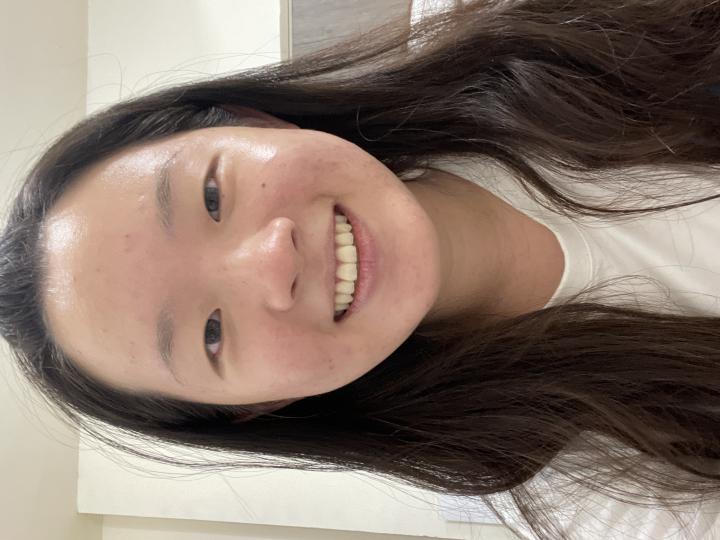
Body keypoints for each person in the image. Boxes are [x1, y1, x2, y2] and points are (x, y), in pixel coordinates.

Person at [2, 0, 720, 538]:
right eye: (211, 334)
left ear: (252, 121)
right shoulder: (592, 500)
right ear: (260, 407)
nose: (272, 260)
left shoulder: (531, 25)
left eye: (212, 196)